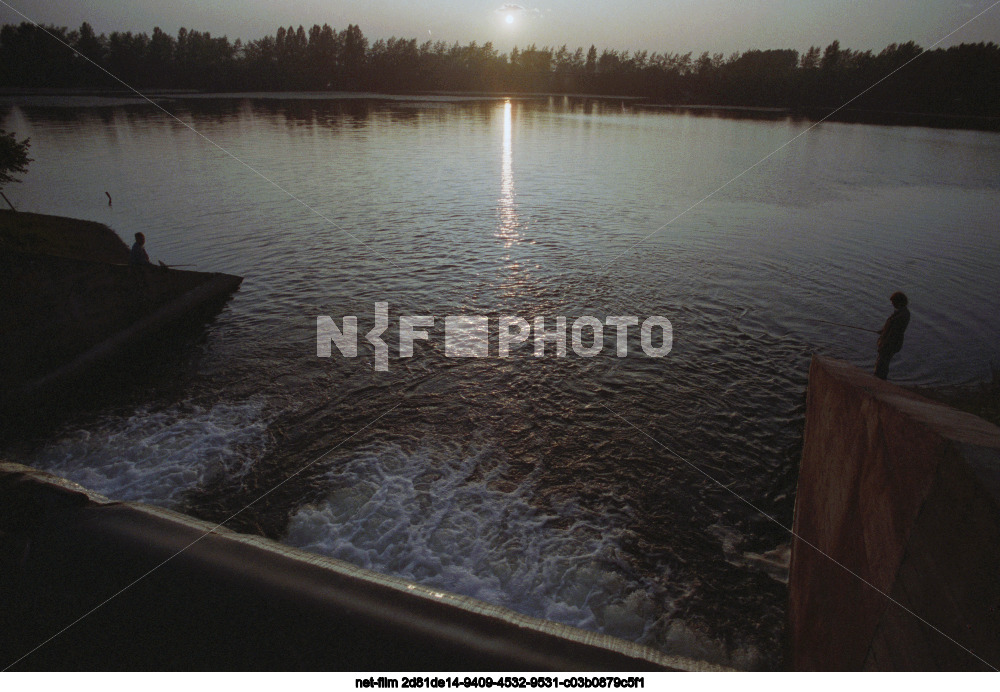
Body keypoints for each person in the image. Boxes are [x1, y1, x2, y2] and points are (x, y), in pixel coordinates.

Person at [875, 291, 910, 380]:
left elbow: (893, 333)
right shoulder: (902, 312)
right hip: (891, 343)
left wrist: (883, 344)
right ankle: (880, 379)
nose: (892, 304)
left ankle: (879, 380)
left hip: (890, 344)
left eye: (893, 302)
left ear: (899, 302)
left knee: (882, 363)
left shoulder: (901, 315)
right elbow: (891, 328)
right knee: (883, 362)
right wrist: (883, 331)